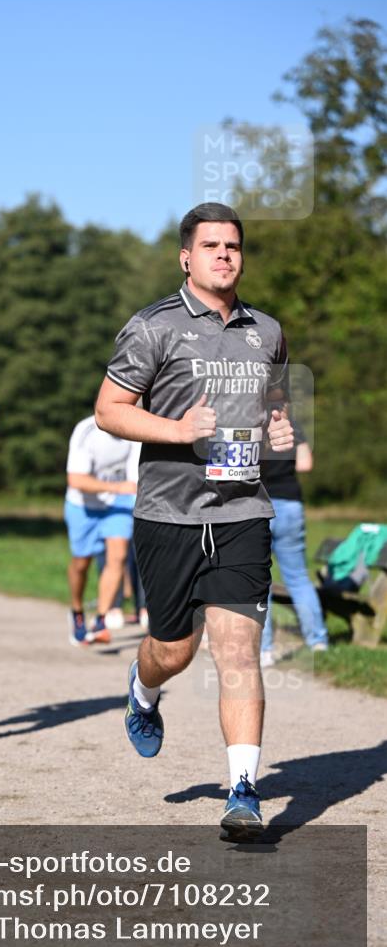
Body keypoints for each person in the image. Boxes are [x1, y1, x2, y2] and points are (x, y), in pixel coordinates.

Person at [95, 202, 294, 840]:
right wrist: (179, 430)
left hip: (242, 509)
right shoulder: (152, 327)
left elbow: (274, 404)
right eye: (211, 246)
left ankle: (243, 790)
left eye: (232, 246)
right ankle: (142, 688)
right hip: (169, 512)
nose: (224, 255)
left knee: (237, 649)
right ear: (187, 256)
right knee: (175, 650)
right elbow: (109, 411)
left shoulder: (267, 329)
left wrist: (281, 427)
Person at [65, 415, 140, 646]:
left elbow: (135, 480)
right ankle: (77, 610)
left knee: (117, 557)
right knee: (81, 563)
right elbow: (75, 479)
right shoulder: (86, 429)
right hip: (83, 505)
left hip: (119, 505)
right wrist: (116, 487)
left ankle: (100, 621)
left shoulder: (136, 429)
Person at [260, 430, 328, 665]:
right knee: (298, 577)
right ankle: (318, 641)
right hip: (290, 503)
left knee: (259, 582)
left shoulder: (251, 421)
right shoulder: (293, 428)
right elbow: (305, 464)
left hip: (260, 504)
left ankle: (264, 650)